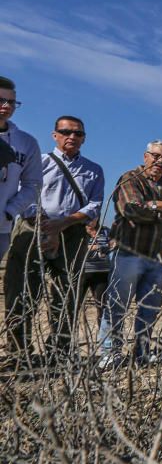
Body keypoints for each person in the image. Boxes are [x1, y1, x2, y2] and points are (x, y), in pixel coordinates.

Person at [4, 115, 104, 362]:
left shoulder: (94, 170)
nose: (72, 137)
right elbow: (21, 193)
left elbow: (95, 204)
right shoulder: (37, 161)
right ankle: (19, 353)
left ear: (84, 138)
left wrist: (64, 224)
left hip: (73, 234)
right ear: (55, 135)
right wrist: (47, 227)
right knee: (21, 292)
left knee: (67, 294)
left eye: (78, 133)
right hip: (32, 229)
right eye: (66, 131)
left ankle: (58, 352)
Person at [99, 140, 162, 368]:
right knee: (117, 305)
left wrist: (157, 206)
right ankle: (110, 353)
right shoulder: (130, 178)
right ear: (145, 156)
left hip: (156, 257)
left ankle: (141, 352)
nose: (160, 161)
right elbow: (131, 208)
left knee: (150, 307)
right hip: (128, 252)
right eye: (156, 156)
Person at [0, 76, 42, 263]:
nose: (7, 106)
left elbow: (33, 184)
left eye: (11, 101)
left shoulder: (27, 142)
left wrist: (10, 211)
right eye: (1, 100)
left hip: (2, 226)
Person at [81, 218, 113, 326]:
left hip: (102, 273)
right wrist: (97, 247)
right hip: (83, 272)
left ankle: (103, 335)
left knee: (102, 306)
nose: (91, 219)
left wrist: (112, 245)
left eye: (94, 216)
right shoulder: (80, 231)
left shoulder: (105, 231)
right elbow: (78, 248)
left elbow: (112, 244)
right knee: (74, 305)